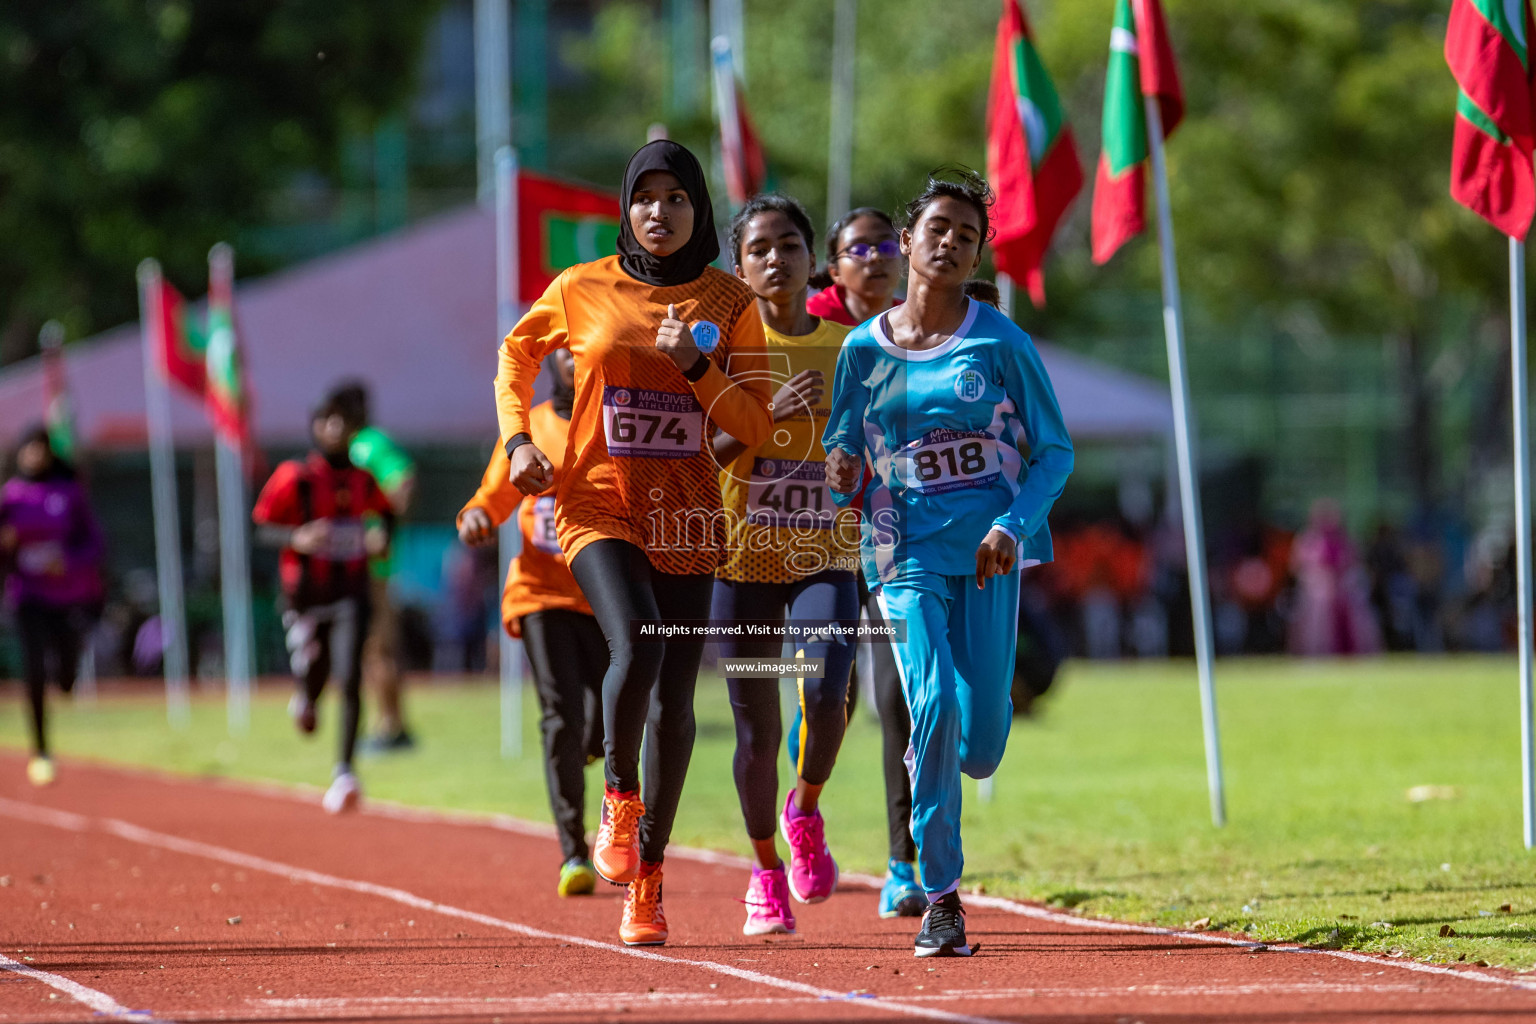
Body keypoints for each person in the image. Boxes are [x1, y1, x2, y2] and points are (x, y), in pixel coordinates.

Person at [495, 140, 772, 946]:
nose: (660, 212)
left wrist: (698, 369)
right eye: (645, 197)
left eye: (677, 197)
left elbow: (755, 424)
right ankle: (618, 797)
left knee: (677, 707)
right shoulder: (581, 287)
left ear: (699, 209)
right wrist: (517, 442)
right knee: (640, 640)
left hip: (686, 514)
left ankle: (647, 881)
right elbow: (517, 352)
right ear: (626, 208)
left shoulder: (729, 301)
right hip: (595, 501)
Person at [823, 170, 1073, 958]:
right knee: (928, 702)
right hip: (899, 552)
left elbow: (1055, 452)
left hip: (988, 557)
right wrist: (840, 467)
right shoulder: (863, 350)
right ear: (908, 242)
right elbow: (844, 444)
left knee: (981, 743)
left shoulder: (1000, 341)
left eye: (968, 234)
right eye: (939, 228)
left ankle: (950, 745)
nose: (952, 242)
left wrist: (1012, 524)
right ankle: (941, 898)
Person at [710, 194, 860, 935]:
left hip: (824, 557)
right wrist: (764, 418)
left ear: (811, 259)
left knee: (826, 691)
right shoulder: (723, 351)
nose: (776, 258)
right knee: (755, 731)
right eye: (760, 248)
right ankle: (765, 869)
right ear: (738, 267)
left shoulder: (850, 348)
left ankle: (803, 808)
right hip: (740, 567)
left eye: (790, 244)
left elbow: (879, 450)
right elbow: (705, 456)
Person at [460, 348, 606, 897]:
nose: (576, 360)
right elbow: (493, 496)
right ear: (553, 363)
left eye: (585, 350)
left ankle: (596, 751)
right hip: (541, 594)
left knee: (614, 717)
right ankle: (573, 851)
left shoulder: (618, 424)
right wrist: (476, 516)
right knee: (559, 716)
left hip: (605, 597)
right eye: (566, 351)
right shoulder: (532, 427)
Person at [253, 396, 394, 814]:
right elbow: (261, 526)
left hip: (351, 591)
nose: (336, 428)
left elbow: (387, 514)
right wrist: (295, 538)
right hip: (305, 596)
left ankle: (345, 772)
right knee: (316, 668)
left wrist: (381, 536)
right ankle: (307, 695)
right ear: (316, 426)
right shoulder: (294, 477)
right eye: (328, 420)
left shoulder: (364, 480)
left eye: (344, 421)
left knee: (350, 674)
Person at [0, 426, 104, 786]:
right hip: (26, 596)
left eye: (40, 449)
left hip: (65, 596)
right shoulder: (10, 498)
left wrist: (69, 561)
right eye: (27, 449)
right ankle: (41, 748)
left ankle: (67, 678)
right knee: (33, 670)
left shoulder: (69, 493)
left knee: (63, 672)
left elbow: (95, 544)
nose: (34, 456)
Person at [329, 381, 419, 751]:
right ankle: (392, 724)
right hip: (362, 562)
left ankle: (390, 727)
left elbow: (404, 479)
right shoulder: (359, 447)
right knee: (377, 646)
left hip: (370, 566)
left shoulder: (366, 446)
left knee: (375, 646)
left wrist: (384, 528)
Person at [808, 207, 904, 327]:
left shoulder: (915, 319)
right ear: (835, 273)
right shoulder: (811, 319)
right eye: (858, 251)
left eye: (888, 247)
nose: (876, 256)